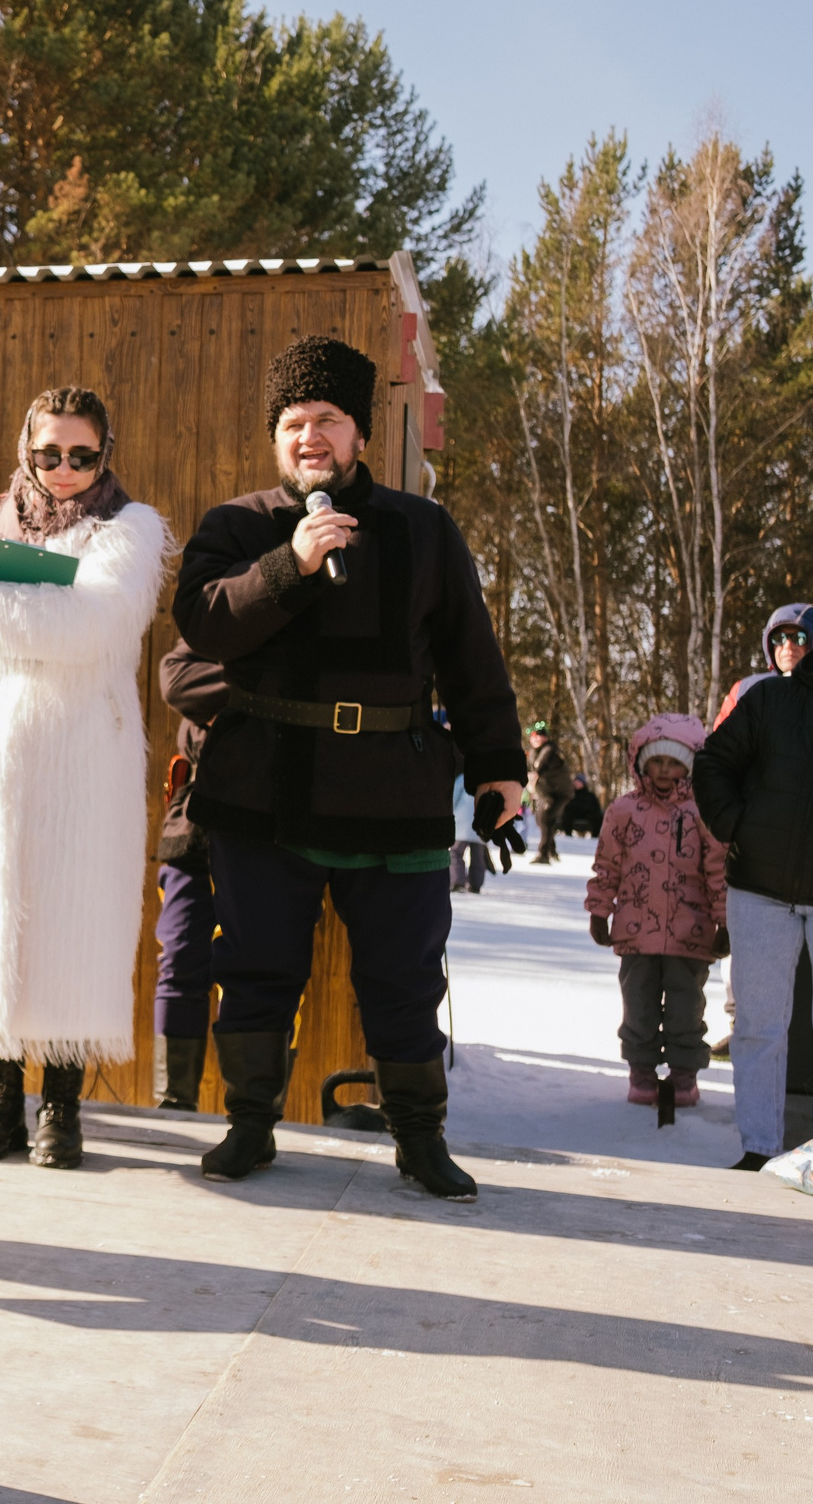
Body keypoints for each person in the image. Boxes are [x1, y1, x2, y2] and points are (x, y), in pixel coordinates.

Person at [174, 335, 527, 1203]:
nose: (309, 438)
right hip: (266, 794)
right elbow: (204, 624)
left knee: (404, 977)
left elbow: (470, 658)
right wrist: (289, 563)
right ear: (275, 437)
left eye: (326, 420)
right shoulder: (237, 525)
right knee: (257, 968)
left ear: (359, 434)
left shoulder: (423, 528)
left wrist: (499, 767)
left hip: (393, 791)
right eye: (293, 423)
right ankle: (249, 1126)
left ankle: (419, 1138)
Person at [0, 386, 173, 1167]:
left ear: (106, 455)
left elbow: (93, 627)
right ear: (25, 451)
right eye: (48, 454)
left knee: (74, 916)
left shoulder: (129, 530)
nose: (64, 469)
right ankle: (0, 1095)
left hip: (82, 759)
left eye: (82, 455)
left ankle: (61, 1105)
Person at [692, 594, 813, 1172]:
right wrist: (738, 827)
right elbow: (713, 763)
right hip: (760, 887)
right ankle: (759, 1147)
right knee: (758, 1027)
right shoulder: (770, 700)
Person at [587, 712, 725, 1110]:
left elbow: (718, 869)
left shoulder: (703, 812)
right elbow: (607, 864)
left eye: (675, 763)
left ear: (691, 765)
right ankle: (642, 1071)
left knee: (686, 1008)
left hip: (691, 931)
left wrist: (724, 921)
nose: (665, 771)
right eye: (657, 761)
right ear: (641, 761)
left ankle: (684, 1074)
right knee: (639, 1006)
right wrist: (600, 909)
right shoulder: (624, 810)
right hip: (635, 929)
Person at [153, 638, 228, 1107]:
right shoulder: (219, 609)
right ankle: (173, 1102)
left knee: (262, 969)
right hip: (193, 824)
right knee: (179, 959)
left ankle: (254, 1116)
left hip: (270, 824)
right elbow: (176, 679)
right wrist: (259, 691)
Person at [713, 602, 813, 727]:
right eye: (779, 638)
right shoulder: (745, 689)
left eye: (799, 638)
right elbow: (719, 739)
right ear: (769, 644)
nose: (788, 646)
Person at [527, 722, 571, 863]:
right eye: (533, 736)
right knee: (544, 820)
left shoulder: (549, 749)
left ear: (545, 738)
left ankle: (544, 853)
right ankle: (551, 850)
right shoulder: (534, 752)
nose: (536, 739)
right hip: (547, 793)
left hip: (557, 792)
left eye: (539, 736)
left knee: (544, 818)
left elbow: (541, 765)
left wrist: (535, 775)